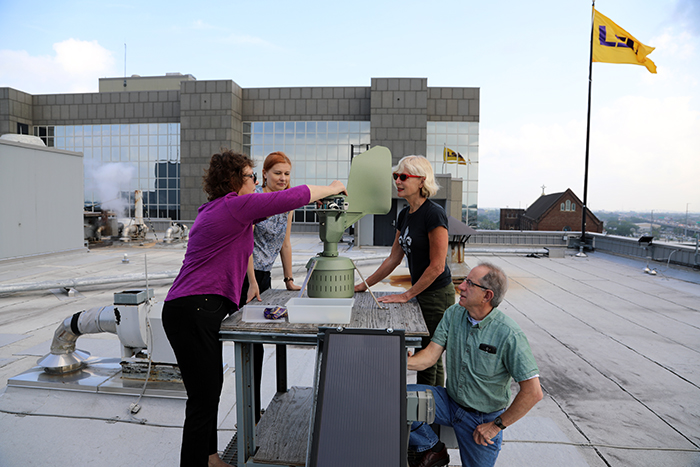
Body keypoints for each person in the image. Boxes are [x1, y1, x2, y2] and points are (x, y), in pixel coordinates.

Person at [162, 150, 347, 467]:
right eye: (250, 176)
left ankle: (209, 457)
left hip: (192, 308)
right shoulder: (236, 206)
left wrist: (251, 282)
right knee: (203, 401)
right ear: (235, 181)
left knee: (207, 392)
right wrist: (333, 187)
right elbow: (294, 196)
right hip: (194, 309)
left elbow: (275, 210)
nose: (254, 182)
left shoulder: (222, 209)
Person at [406, 262, 542, 467]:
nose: (460, 286)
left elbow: (533, 392)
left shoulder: (509, 334)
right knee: (396, 398)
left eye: (469, 283)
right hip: (449, 403)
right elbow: (430, 357)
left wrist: (496, 426)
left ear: (487, 296)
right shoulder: (453, 314)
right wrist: (399, 360)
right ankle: (431, 448)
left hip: (483, 420)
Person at [354, 155, 453, 386]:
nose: (397, 181)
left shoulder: (433, 213)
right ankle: (430, 412)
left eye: (404, 176)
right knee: (427, 353)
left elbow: (437, 266)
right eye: (395, 176)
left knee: (428, 356)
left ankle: (429, 415)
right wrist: (363, 285)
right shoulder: (405, 214)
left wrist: (407, 294)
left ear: (421, 181)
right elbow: (393, 259)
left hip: (437, 294)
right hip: (422, 291)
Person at [238, 151, 300, 423]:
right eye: (277, 173)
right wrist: (252, 282)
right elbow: (246, 245)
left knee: (261, 343)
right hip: (245, 276)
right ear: (264, 174)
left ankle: (253, 410)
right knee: (249, 345)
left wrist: (288, 280)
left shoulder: (286, 204)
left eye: (287, 174)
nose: (283, 178)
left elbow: (285, 243)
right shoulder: (256, 200)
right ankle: (248, 413)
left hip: (263, 278)